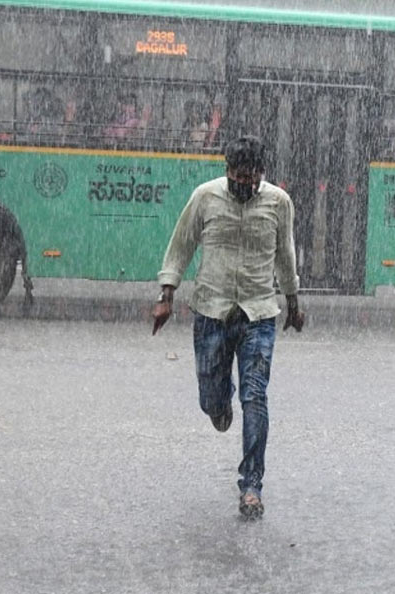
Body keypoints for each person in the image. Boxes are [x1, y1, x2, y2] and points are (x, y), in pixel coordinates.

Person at [151, 135, 306, 519]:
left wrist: (293, 301)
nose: (245, 186)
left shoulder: (278, 202)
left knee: (255, 397)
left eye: (251, 179)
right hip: (211, 312)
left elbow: (285, 253)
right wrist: (166, 294)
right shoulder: (205, 197)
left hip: (258, 313)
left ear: (261, 175)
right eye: (238, 178)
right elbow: (182, 243)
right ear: (227, 171)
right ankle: (219, 405)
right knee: (212, 399)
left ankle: (251, 485)